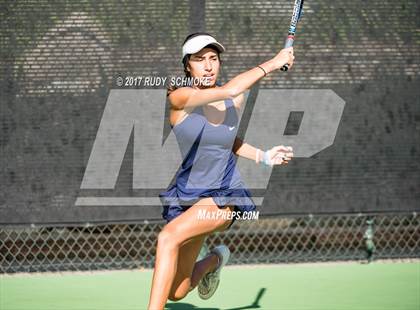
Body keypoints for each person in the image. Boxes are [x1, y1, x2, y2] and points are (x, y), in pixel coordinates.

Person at [148, 32, 294, 309]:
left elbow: (228, 141)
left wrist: (263, 156)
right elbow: (232, 89)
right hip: (188, 197)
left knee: (167, 237)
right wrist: (274, 63)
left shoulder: (231, 103)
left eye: (213, 59)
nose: (208, 65)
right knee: (177, 293)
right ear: (187, 66)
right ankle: (216, 259)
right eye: (199, 59)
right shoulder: (179, 97)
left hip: (224, 195)